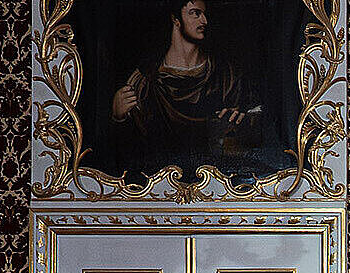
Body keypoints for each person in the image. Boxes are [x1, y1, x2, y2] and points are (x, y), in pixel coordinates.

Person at [109, 0, 261, 176]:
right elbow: (126, 153)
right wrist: (117, 116)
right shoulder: (144, 81)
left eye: (205, 14)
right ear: (175, 19)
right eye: (195, 13)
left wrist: (244, 122)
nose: (204, 21)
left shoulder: (228, 75)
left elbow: (253, 142)